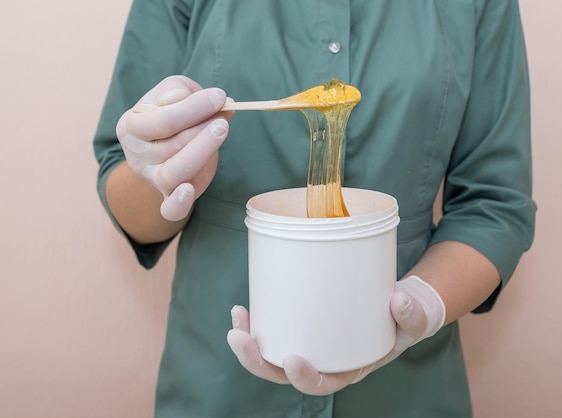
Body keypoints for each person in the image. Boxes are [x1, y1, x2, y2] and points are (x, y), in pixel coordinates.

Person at [94, 1, 536, 417]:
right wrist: (163, 170)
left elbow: (493, 205)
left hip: (406, 392)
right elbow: (128, 202)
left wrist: (424, 303)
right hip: (218, 383)